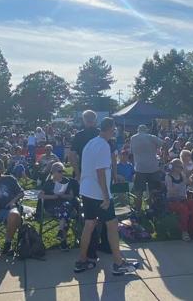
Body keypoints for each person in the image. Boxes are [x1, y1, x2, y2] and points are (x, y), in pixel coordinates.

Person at [73, 117, 139, 276]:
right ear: (111, 129)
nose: (115, 132)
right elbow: (101, 172)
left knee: (89, 224)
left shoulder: (91, 143)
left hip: (86, 190)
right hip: (98, 193)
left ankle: (82, 260)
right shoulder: (103, 145)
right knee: (112, 225)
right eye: (114, 129)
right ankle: (118, 263)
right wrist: (106, 196)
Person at [40, 162, 79, 251]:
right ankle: (62, 241)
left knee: (66, 207)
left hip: (65, 205)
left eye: (63, 171)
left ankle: (61, 234)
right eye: (59, 171)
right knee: (66, 215)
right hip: (52, 207)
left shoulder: (66, 181)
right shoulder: (48, 183)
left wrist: (62, 196)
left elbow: (71, 196)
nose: (62, 173)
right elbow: (40, 196)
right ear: (53, 172)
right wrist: (53, 196)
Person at [164, 158, 193, 241]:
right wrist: (178, 189)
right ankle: (184, 232)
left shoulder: (182, 175)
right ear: (173, 167)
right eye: (179, 167)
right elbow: (170, 191)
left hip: (182, 199)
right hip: (172, 201)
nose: (181, 168)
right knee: (183, 208)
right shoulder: (168, 177)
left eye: (182, 167)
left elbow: (187, 183)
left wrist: (192, 179)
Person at [129, 124, 164, 213]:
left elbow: (131, 152)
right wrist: (162, 156)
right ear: (146, 130)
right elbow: (164, 144)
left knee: (138, 191)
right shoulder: (152, 137)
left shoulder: (133, 138)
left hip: (140, 168)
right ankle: (152, 208)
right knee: (154, 190)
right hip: (153, 167)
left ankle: (138, 210)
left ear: (138, 130)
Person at [69, 110, 99, 175]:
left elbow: (72, 156)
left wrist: (77, 173)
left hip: (84, 170)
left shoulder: (79, 135)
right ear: (95, 120)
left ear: (84, 120)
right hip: (100, 170)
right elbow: (112, 155)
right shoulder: (102, 134)